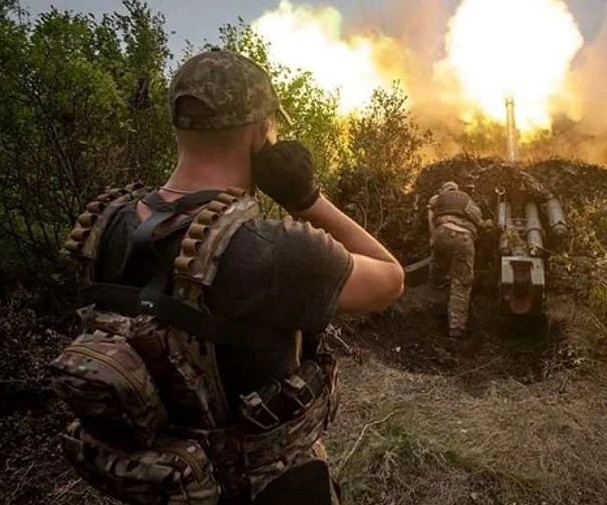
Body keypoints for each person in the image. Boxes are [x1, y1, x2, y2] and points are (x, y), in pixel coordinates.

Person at [53, 49, 404, 505]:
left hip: (166, 485)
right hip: (273, 489)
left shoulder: (107, 225)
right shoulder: (276, 249)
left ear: (180, 126)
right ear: (262, 134)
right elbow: (391, 279)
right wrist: (307, 199)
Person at [427, 181, 492, 337]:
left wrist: (433, 237)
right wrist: (488, 224)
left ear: (442, 189)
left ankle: (436, 284)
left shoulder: (437, 198)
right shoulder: (465, 199)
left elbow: (429, 216)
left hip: (440, 233)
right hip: (462, 238)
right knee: (461, 282)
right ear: (457, 190)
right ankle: (456, 327)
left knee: (438, 261)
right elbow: (479, 221)